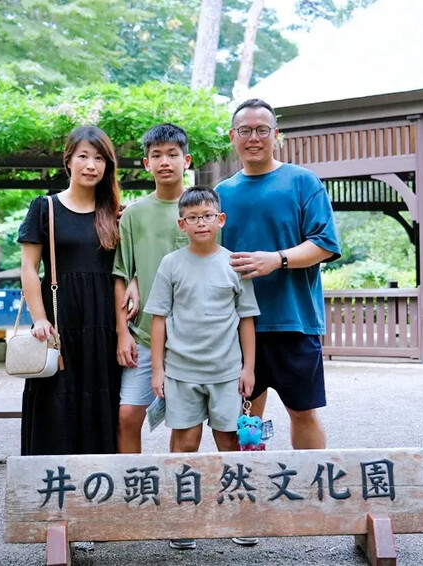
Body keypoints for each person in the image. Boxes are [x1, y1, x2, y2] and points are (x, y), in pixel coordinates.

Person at [216, 98, 341, 450]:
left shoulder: (302, 182)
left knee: (303, 412)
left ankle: (314, 481)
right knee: (245, 416)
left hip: (294, 321)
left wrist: (278, 259)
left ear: (276, 135)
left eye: (262, 130)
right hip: (239, 324)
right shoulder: (222, 193)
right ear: (233, 137)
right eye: (245, 130)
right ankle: (251, 482)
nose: (253, 138)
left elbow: (325, 243)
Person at [145, 187, 260, 550]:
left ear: (220, 219)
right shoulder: (171, 264)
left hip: (226, 371)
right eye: (192, 218)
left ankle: (239, 516)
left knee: (229, 442)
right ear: (182, 224)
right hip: (181, 371)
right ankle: (184, 519)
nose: (201, 223)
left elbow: (246, 319)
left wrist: (248, 368)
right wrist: (158, 369)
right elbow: (159, 319)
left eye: (207, 216)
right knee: (185, 443)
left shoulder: (235, 264)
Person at [17, 125, 122, 457]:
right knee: (55, 398)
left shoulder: (115, 213)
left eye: (99, 159)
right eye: (83, 157)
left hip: (103, 322)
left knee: (102, 396)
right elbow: (29, 268)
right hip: (59, 321)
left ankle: (98, 480)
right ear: (68, 161)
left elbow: (126, 270)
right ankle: (51, 480)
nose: (91, 165)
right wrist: (39, 319)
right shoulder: (45, 207)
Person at [112, 123, 192, 454]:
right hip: (143, 334)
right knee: (128, 415)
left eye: (173, 154)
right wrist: (123, 333)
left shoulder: (201, 209)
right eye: (156, 155)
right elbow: (121, 274)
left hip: (192, 337)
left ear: (186, 160)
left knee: (186, 424)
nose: (165, 162)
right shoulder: (134, 215)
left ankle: (178, 483)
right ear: (147, 164)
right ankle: (132, 481)